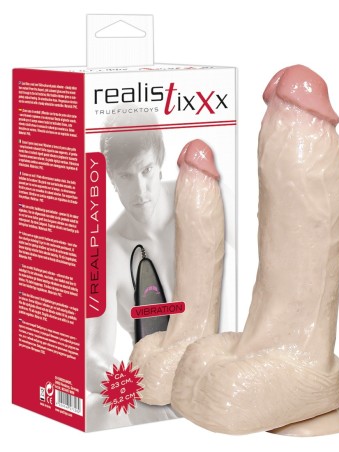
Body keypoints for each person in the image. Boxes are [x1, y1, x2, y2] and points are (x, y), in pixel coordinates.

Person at [86, 109, 177, 431]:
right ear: (111, 179)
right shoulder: (107, 252)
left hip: (216, 368)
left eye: (146, 170)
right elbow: (91, 356)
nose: (140, 190)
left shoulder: (199, 199)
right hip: (154, 388)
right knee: (95, 414)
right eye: (125, 176)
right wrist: (137, 392)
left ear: (160, 160)